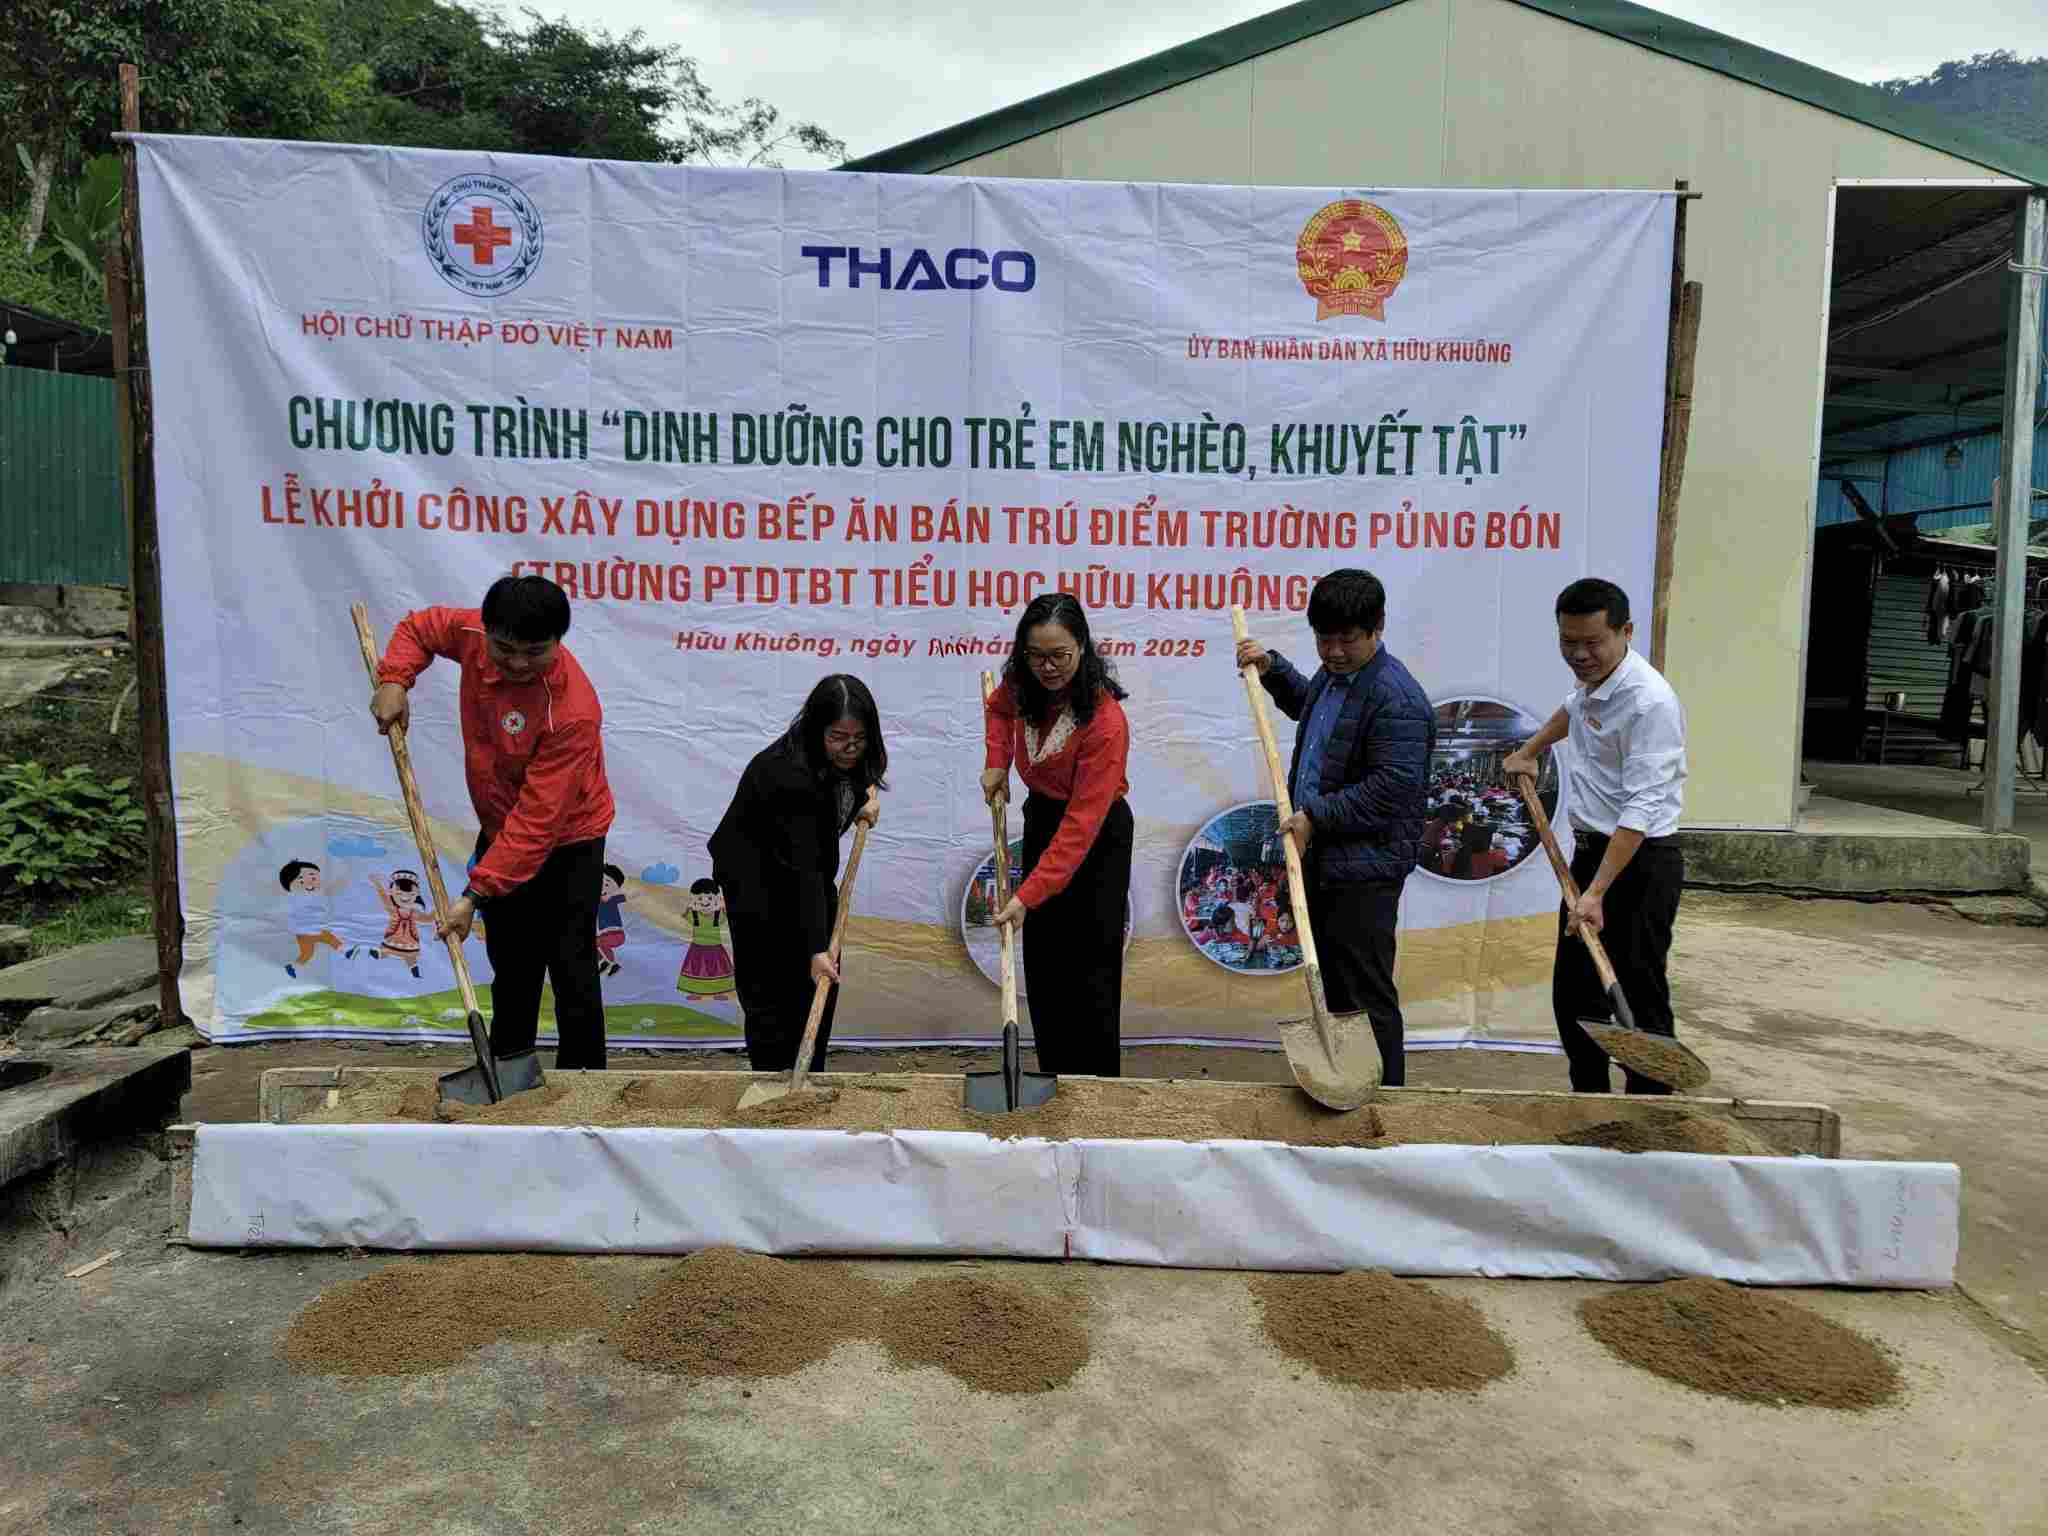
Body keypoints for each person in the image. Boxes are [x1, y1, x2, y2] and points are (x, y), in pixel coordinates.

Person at [371, 573, 615, 1070]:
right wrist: (395, 679)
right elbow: (419, 629)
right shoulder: (476, 638)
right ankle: (509, 1073)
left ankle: (587, 1084)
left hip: (569, 840)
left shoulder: (571, 712)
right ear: (488, 633)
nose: (519, 664)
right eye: (507, 650)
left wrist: (474, 895)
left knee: (572, 968)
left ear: (558, 642)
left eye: (536, 652)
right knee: (513, 965)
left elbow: (538, 821)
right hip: (502, 825)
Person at [1234, 568, 1434, 1086]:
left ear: (1378, 627)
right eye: (1325, 640)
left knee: (1365, 995)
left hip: (1364, 873)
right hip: (1326, 863)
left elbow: (1393, 787)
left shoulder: (1398, 700)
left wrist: (1315, 816)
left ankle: (1387, 1104)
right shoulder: (1334, 677)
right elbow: (1313, 710)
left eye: (1347, 640)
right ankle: (1351, 1085)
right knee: (1340, 995)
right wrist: (1273, 669)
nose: (1334, 651)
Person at [1503, 578, 1689, 1095]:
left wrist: (1598, 893)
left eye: (1592, 643)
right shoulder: (1595, 684)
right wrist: (1532, 749)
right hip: (1591, 859)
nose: (1579, 655)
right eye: (1569, 642)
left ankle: (1651, 1111)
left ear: (1625, 632)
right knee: (1576, 993)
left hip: (1641, 863)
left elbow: (1639, 812)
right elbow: (1572, 709)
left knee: (1637, 990)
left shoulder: (1650, 703)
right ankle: (1588, 1098)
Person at [982, 593, 1133, 1078]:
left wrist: (1028, 895)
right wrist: (996, 762)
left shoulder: (1106, 724)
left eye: (1059, 656)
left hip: (1096, 838)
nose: (1047, 667)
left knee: (1088, 968)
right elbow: (999, 711)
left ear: (1083, 648)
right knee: (1045, 964)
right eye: (1036, 655)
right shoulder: (1022, 683)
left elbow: (1081, 826)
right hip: (1043, 818)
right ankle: (1054, 1077)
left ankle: (1095, 1088)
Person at [710, 675, 885, 1074]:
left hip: (805, 873)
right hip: (756, 883)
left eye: (860, 738)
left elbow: (850, 785)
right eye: (839, 737)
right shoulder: (789, 776)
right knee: (772, 989)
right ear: (815, 728)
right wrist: (815, 948)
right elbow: (803, 869)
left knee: (818, 985)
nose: (851, 748)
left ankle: (809, 1075)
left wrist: (860, 799)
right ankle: (773, 1081)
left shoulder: (846, 756)